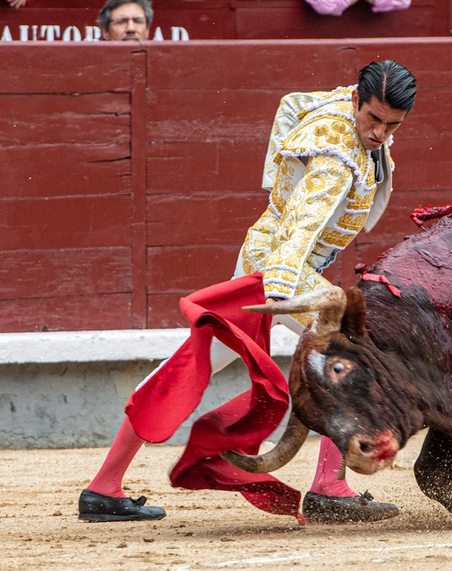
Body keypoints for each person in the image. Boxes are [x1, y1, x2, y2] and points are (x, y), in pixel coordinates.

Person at [78, 60, 417, 523]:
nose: (378, 132)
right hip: (280, 268)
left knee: (197, 361)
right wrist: (278, 291)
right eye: (373, 119)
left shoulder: (345, 102)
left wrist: (277, 176)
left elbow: (290, 104)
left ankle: (103, 486)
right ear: (357, 102)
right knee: (353, 351)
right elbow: (300, 224)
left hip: (277, 262)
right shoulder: (336, 159)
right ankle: (329, 488)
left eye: (391, 125)